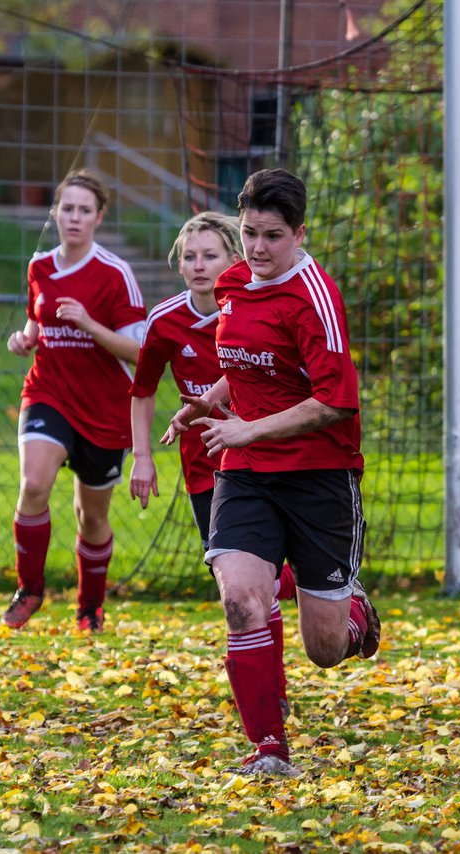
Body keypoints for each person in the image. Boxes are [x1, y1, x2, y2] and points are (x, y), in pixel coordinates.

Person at [165, 169, 380, 777]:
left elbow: (335, 402)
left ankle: (353, 613)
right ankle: (268, 748)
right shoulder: (235, 283)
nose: (258, 249)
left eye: (273, 237)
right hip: (248, 468)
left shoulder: (315, 298)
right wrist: (209, 399)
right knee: (240, 600)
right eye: (250, 233)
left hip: (319, 475)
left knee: (325, 649)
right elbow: (248, 363)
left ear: (300, 234)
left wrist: (248, 428)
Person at [127, 211, 297, 715]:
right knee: (240, 589)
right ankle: (294, 590)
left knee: (254, 589)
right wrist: (142, 458)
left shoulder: (251, 308)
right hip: (206, 469)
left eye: (210, 255)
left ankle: (274, 693)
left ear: (234, 261)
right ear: (178, 265)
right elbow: (141, 392)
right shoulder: (165, 320)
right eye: (190, 256)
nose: (199, 265)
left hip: (265, 459)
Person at [2, 169, 146, 633]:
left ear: (99, 217)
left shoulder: (116, 274)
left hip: (105, 410)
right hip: (48, 392)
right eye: (67, 208)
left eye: (85, 210)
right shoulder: (39, 266)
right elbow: (35, 323)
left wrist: (89, 325)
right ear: (55, 212)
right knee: (34, 485)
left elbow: (139, 353)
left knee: (91, 517)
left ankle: (90, 606)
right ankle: (30, 590)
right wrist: (23, 340)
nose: (75, 218)